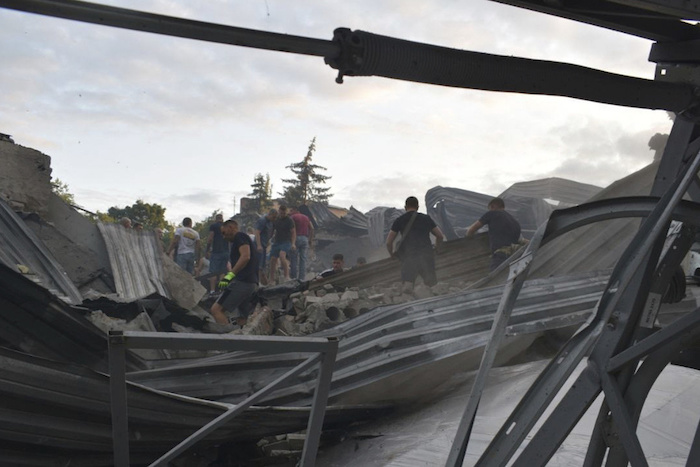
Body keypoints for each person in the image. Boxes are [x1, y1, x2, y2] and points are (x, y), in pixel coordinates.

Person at [385, 196, 444, 292]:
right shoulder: (426, 218)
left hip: (408, 258)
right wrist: (437, 248)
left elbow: (388, 242)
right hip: (426, 256)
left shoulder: (399, 220)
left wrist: (391, 254)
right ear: (417, 207)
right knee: (433, 288)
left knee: (407, 290)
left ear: (405, 207)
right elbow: (440, 236)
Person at [209, 219, 259, 331]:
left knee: (216, 310)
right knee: (242, 318)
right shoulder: (241, 240)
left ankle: (228, 342)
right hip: (250, 284)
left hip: (243, 283)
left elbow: (246, 257)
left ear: (231, 228)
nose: (223, 237)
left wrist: (229, 277)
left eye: (224, 232)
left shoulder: (239, 236)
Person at [466, 197, 523, 270]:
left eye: (489, 208)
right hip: (515, 256)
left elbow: (471, 230)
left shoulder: (492, 213)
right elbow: (519, 240)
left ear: (492, 206)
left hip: (501, 255)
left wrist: (468, 240)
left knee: (496, 278)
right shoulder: (515, 221)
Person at [269, 205, 296, 284]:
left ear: (286, 212)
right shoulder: (276, 220)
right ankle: (271, 279)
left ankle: (286, 276)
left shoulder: (289, 220)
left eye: (284, 213)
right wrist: (268, 239)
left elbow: (293, 232)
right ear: (279, 212)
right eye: (281, 213)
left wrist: (293, 243)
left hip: (286, 241)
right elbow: (272, 230)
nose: (282, 215)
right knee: (273, 259)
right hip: (277, 241)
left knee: (282, 255)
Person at [289, 205, 314, 280]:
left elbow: (290, 229)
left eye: (291, 210)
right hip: (305, 239)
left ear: (295, 210)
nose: (290, 212)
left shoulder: (293, 217)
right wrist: (310, 239)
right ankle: (302, 278)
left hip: (296, 238)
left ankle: (293, 277)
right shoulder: (306, 217)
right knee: (303, 259)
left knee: (294, 258)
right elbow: (312, 228)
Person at [206, 213, 229, 292]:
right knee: (222, 272)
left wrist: (207, 249)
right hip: (226, 251)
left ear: (216, 219)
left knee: (213, 272)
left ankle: (212, 290)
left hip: (216, 251)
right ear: (222, 219)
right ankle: (221, 290)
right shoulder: (226, 227)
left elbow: (210, 238)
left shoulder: (214, 226)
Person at [254, 209, 278, 285]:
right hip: (259, 245)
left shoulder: (270, 222)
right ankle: (257, 283)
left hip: (264, 245)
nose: (274, 219)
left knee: (263, 266)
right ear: (270, 214)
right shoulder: (262, 220)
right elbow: (257, 232)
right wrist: (258, 245)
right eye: (273, 217)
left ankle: (266, 284)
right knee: (259, 265)